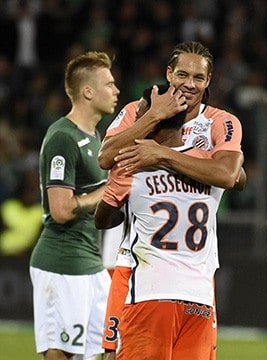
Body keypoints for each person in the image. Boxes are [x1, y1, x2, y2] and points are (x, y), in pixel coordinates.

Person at [96, 83, 236, 360]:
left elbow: (103, 218)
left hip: (150, 292)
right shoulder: (209, 165)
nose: (137, 115)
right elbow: (234, 176)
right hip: (200, 298)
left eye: (143, 112)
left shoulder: (132, 166)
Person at [30, 51, 120, 360]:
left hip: (91, 264)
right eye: (109, 84)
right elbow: (62, 209)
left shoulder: (94, 136)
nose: (116, 90)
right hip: (62, 264)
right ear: (88, 91)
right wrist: (108, 190)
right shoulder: (62, 138)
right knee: (63, 354)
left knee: (113, 347)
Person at [98, 40, 244, 190]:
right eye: (182, 75)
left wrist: (163, 154)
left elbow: (229, 176)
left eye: (198, 78)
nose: (190, 84)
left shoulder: (221, 121)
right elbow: (105, 158)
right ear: (169, 74)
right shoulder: (138, 109)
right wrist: (153, 115)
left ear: (208, 81)